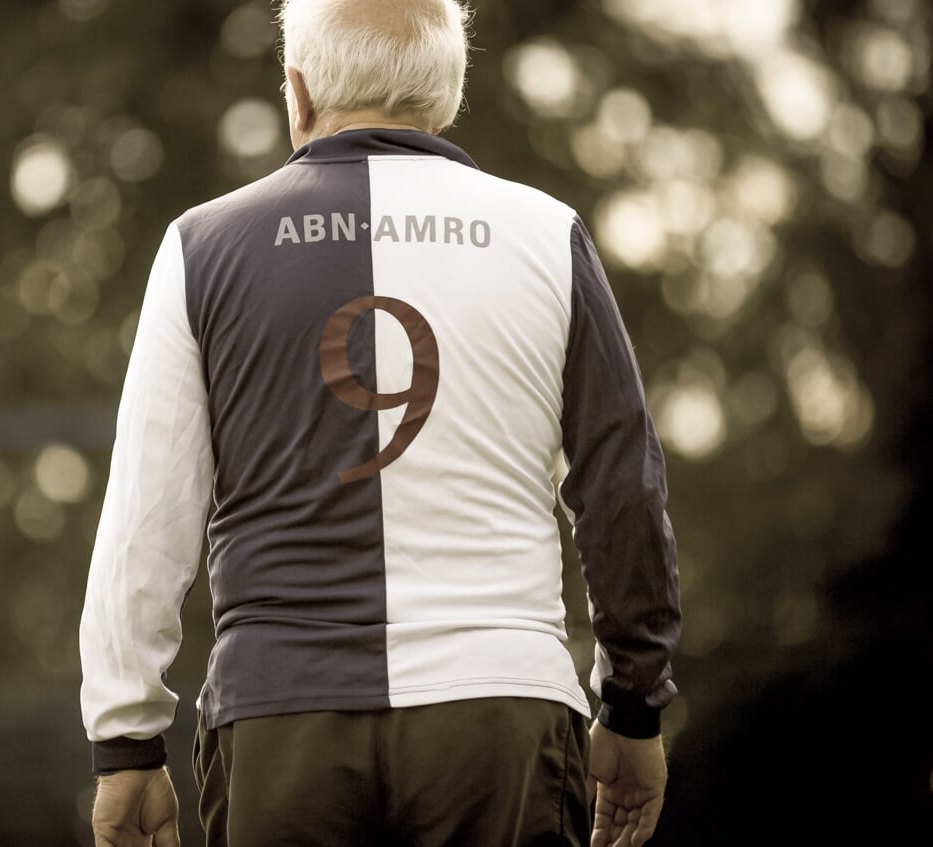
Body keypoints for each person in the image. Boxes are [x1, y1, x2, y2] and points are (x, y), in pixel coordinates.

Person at [78, 1, 682, 846]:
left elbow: (147, 515)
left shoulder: (199, 245)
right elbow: (620, 488)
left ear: (295, 92)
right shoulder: (548, 234)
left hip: (281, 717)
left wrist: (125, 740)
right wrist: (632, 703)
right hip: (498, 710)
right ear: (448, 92)